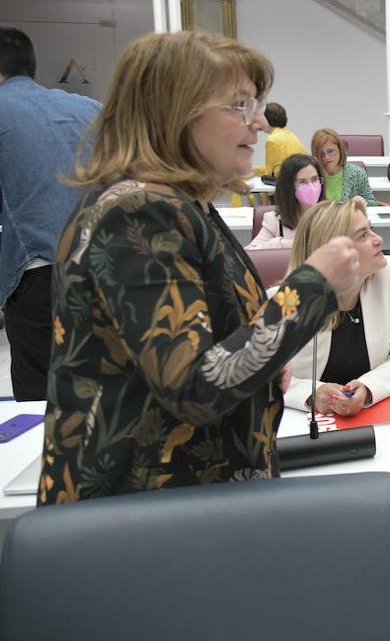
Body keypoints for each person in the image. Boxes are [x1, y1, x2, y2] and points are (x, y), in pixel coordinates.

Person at [39, 30, 361, 505]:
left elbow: (205, 345)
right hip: (143, 524)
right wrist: (312, 285)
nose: (259, 125)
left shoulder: (179, 205)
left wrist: (265, 370)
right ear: (175, 112)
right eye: (239, 105)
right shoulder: (141, 213)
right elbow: (193, 384)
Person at [0, 26, 100, 401]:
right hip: (110, 269)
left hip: (41, 278)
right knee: (107, 397)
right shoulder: (90, 108)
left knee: (46, 409)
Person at [283, 197, 390, 416]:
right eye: (363, 235)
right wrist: (312, 394)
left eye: (371, 229)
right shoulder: (287, 302)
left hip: (377, 414)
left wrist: (368, 388)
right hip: (305, 422)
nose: (379, 239)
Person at [246, 153, 325, 251]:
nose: (311, 187)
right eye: (302, 182)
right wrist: (282, 244)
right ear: (289, 187)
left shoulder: (333, 217)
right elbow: (249, 254)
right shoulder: (274, 221)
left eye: (314, 179)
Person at [311, 127, 378, 205]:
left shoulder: (357, 173)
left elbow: (373, 203)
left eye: (330, 151)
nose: (326, 157)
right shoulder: (312, 175)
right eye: (321, 154)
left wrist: (361, 203)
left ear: (340, 149)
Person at [259, 101, 307, 178]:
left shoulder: (272, 140)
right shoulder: (291, 135)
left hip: (285, 185)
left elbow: (271, 174)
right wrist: (256, 170)